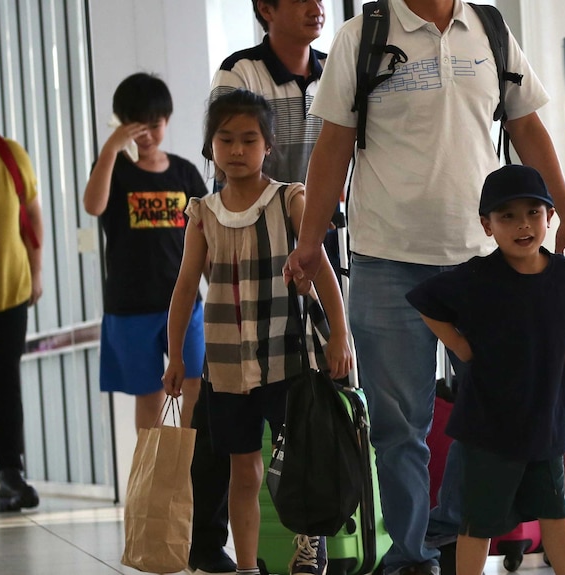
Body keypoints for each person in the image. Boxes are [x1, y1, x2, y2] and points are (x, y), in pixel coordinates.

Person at [284, 2, 565, 574]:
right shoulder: (363, 35)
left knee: (499, 413)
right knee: (400, 427)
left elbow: (526, 127)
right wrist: (308, 242)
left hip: (485, 265)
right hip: (385, 260)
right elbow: (333, 145)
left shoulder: (490, 29)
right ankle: (413, 554)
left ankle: (454, 527)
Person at [163, 89, 352, 575]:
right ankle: (247, 566)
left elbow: (323, 269)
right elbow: (185, 288)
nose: (237, 150)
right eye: (226, 140)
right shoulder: (202, 214)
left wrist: (340, 336)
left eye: (249, 139)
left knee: (301, 459)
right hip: (225, 369)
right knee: (241, 470)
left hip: (286, 360)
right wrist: (176, 357)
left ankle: (310, 546)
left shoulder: (290, 200)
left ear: (268, 145)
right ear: (211, 147)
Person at [405, 165, 565, 575]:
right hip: (488, 429)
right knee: (478, 520)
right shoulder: (479, 276)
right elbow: (425, 299)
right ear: (487, 225)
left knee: (555, 510)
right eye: (507, 216)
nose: (523, 225)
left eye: (533, 212)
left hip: (544, 427)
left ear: (550, 217)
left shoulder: (562, 276)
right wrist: (458, 344)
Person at [192, 2, 331, 572]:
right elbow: (228, 140)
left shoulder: (332, 72)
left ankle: (314, 538)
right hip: (247, 258)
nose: (316, 8)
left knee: (309, 420)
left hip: (308, 242)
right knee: (228, 445)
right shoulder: (241, 70)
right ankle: (210, 545)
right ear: (265, 10)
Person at [83, 73, 207, 432]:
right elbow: (93, 206)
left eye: (155, 126)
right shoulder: (115, 170)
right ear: (123, 125)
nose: (148, 136)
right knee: (150, 395)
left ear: (167, 121)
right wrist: (110, 148)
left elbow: (206, 238)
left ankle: (191, 466)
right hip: (131, 305)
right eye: (137, 128)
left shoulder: (183, 173)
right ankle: (155, 478)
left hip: (183, 303)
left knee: (196, 382)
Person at [0, 85, 44, 513]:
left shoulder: (7, 154)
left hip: (7, 294)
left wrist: (36, 273)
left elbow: (33, 214)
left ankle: (10, 475)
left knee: (4, 388)